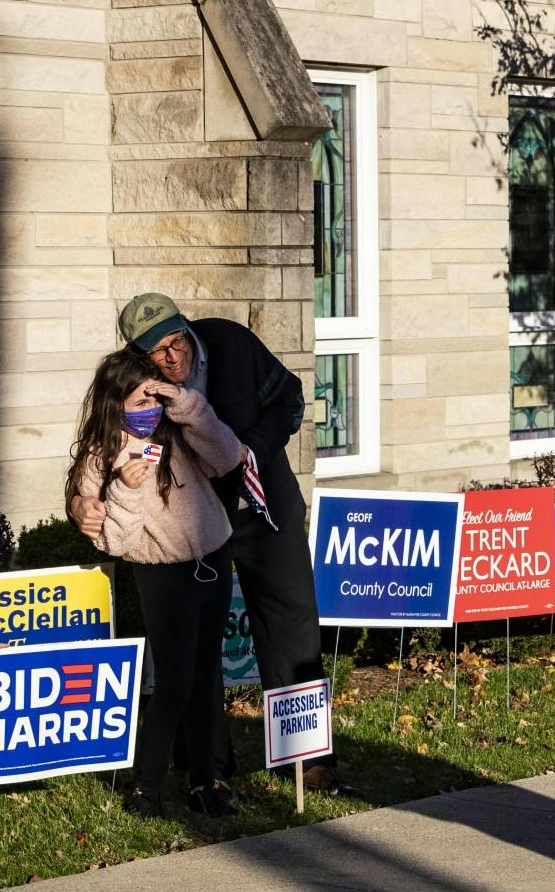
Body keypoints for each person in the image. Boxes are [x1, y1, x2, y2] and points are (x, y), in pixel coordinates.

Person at [69, 294, 349, 794]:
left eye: (177, 342)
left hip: (263, 504)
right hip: (193, 525)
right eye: (157, 352)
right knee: (196, 651)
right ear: (138, 355)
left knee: (292, 625)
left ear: (187, 328)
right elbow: (97, 448)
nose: (172, 357)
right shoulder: (139, 385)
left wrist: (249, 451)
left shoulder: (230, 342)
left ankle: (304, 758)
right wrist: (78, 502)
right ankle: (209, 769)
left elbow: (290, 399)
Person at [67, 350, 244, 817]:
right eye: (141, 399)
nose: (151, 407)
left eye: (156, 396)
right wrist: (126, 488)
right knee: (173, 684)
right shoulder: (101, 455)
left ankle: (204, 782)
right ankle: (146, 789)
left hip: (212, 558)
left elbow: (229, 457)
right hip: (162, 574)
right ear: (117, 402)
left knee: (206, 677)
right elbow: (115, 541)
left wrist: (186, 404)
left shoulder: (176, 429)